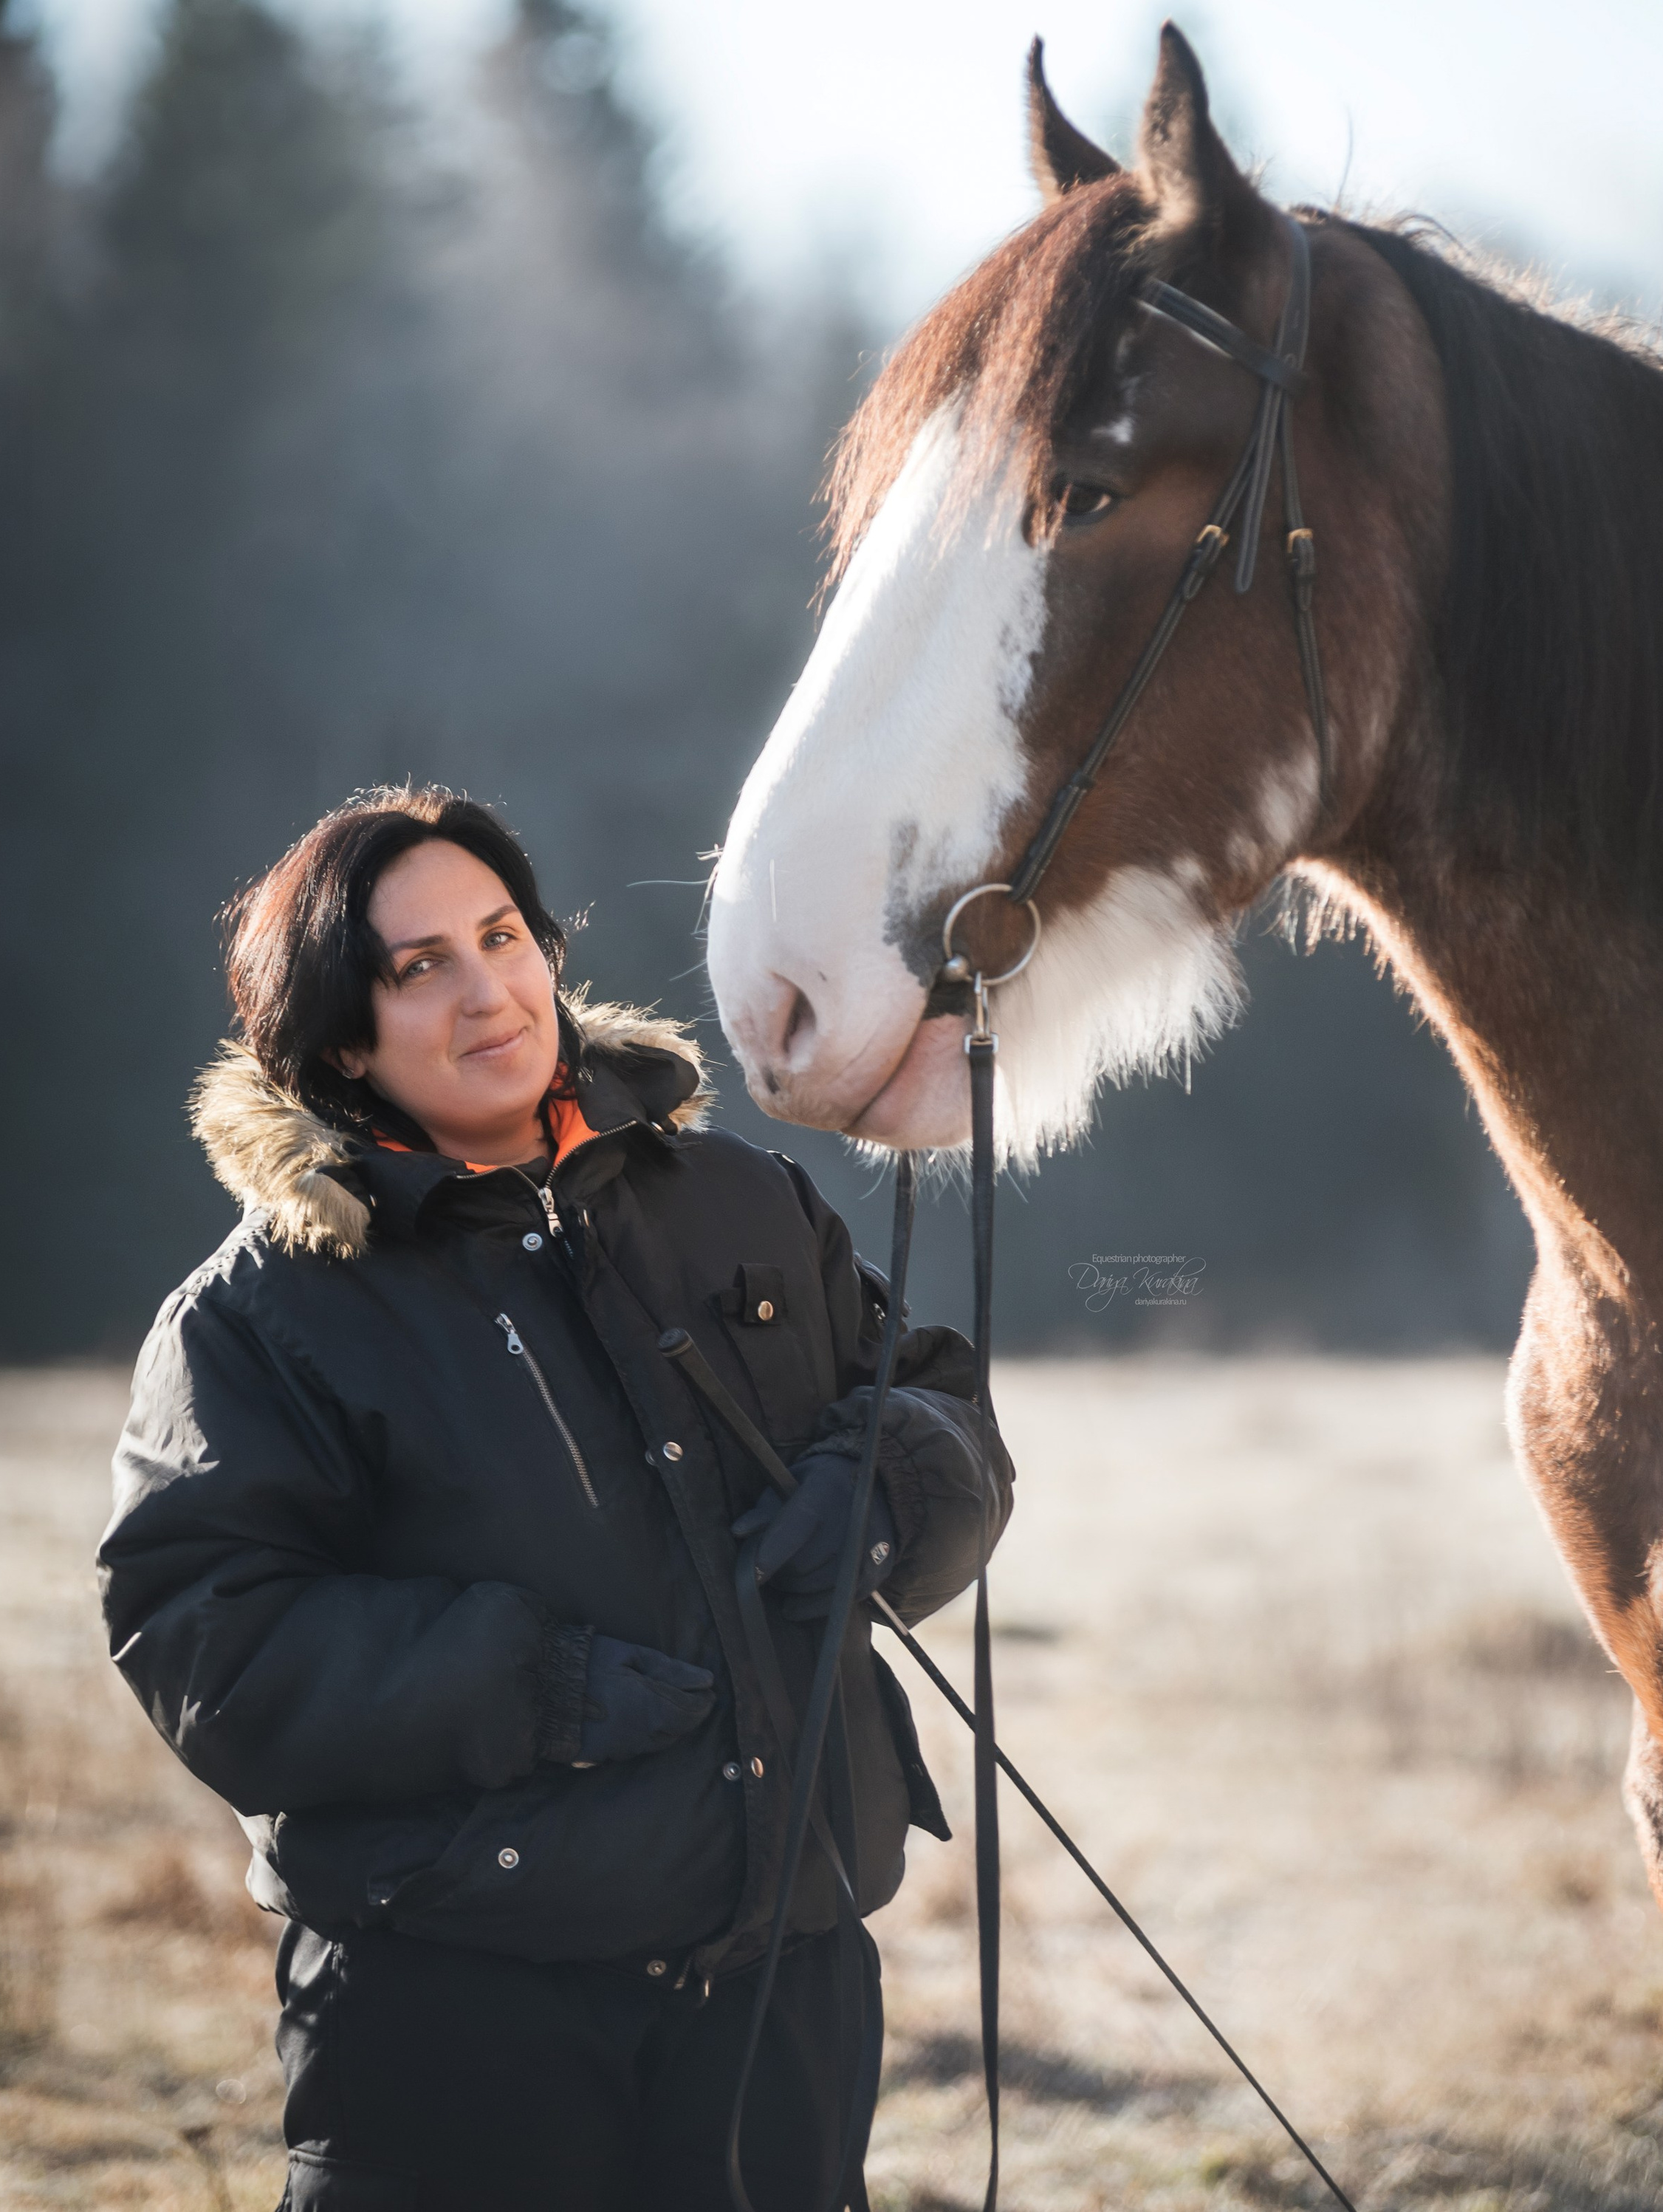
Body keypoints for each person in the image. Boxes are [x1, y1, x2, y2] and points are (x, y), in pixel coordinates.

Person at [98, 786, 1012, 2212]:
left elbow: (949, 1405)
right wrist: (533, 1690)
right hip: (463, 2021)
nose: (488, 993)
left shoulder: (743, 1199)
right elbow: (206, 1642)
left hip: (786, 1986)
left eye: (503, 935)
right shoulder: (261, 1315)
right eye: (420, 968)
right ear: (343, 1037)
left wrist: (885, 1494)